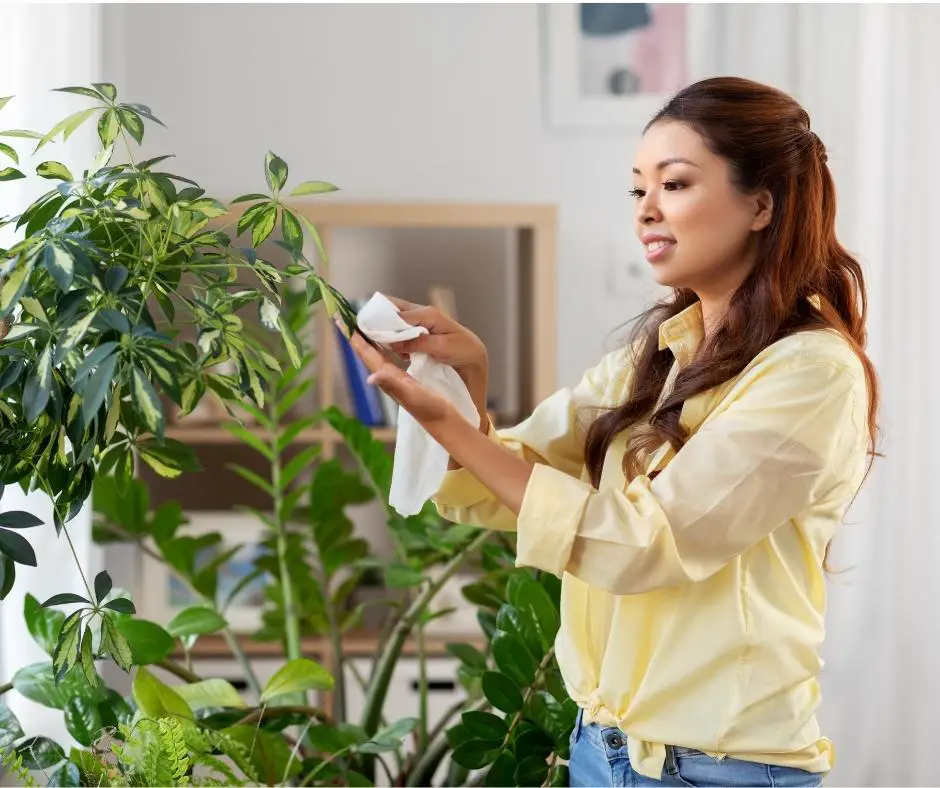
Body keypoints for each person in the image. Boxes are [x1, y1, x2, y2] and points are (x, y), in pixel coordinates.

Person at [345, 76, 879, 787]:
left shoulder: (812, 373)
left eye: (676, 184)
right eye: (638, 191)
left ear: (761, 204)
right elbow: (508, 479)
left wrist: (455, 426)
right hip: (603, 751)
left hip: (722, 770)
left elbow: (643, 543)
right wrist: (465, 385)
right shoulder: (658, 351)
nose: (647, 212)